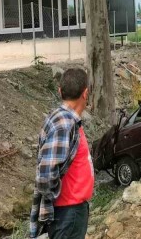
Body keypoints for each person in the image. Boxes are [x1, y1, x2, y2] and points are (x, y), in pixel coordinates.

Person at [30, 68, 94, 239]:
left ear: (60, 91)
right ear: (85, 93)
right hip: (67, 214)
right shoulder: (64, 125)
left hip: (70, 212)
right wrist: (57, 198)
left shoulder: (64, 119)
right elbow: (45, 177)